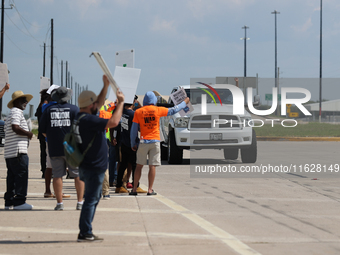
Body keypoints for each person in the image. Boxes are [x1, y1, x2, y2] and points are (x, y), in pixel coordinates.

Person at [77, 75, 124, 242]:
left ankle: (85, 229)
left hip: (85, 164)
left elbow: (99, 102)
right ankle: (85, 232)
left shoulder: (80, 117)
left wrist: (105, 86)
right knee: (91, 199)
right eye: (95, 103)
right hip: (93, 165)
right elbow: (113, 122)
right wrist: (120, 103)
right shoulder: (90, 120)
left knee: (93, 197)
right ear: (91, 105)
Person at [130, 91, 189, 196]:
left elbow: (134, 130)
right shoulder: (158, 110)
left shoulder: (138, 112)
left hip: (143, 141)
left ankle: (134, 189)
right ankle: (150, 189)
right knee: (152, 166)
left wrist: (133, 143)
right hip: (155, 142)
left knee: (139, 166)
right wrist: (184, 102)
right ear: (154, 100)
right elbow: (174, 110)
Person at [39, 86, 84, 210]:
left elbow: (42, 130)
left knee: (57, 175)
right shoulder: (74, 109)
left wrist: (53, 137)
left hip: (55, 147)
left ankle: (59, 203)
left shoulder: (48, 110)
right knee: (77, 174)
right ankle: (80, 202)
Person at [4, 90, 33, 210]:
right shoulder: (17, 111)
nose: (26, 102)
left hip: (10, 152)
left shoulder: (10, 113)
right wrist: (28, 134)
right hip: (18, 151)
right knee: (21, 176)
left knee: (12, 178)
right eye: (23, 100)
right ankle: (20, 202)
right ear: (16, 102)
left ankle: (9, 202)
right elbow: (15, 127)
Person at [115, 102, 146, 194]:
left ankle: (119, 185)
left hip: (123, 141)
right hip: (132, 143)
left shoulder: (121, 113)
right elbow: (139, 128)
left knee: (123, 164)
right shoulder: (133, 114)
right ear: (132, 103)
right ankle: (135, 185)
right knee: (135, 165)